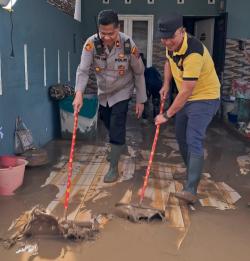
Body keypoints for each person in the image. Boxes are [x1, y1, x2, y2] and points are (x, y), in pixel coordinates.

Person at [73, 10, 147, 183]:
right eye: (103, 33)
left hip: (123, 90)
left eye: (111, 33)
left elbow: (139, 72)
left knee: (117, 123)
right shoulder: (91, 44)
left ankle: (113, 167)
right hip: (103, 92)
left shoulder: (128, 44)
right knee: (107, 120)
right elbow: (83, 71)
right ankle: (119, 145)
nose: (106, 37)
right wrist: (79, 94)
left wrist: (140, 100)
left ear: (118, 28)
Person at [155, 13, 220, 203]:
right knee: (180, 135)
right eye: (164, 39)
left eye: (171, 38)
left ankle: (191, 190)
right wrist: (166, 84)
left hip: (205, 97)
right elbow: (168, 62)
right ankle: (190, 169)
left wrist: (166, 115)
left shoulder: (193, 52)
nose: (167, 42)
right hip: (188, 97)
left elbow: (186, 91)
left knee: (194, 138)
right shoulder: (171, 46)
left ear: (182, 32)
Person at [140, 53, 162, 120]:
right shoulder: (152, 69)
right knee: (156, 103)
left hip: (150, 85)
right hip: (157, 86)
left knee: (145, 102)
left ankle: (145, 119)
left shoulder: (142, 73)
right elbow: (159, 78)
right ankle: (156, 119)